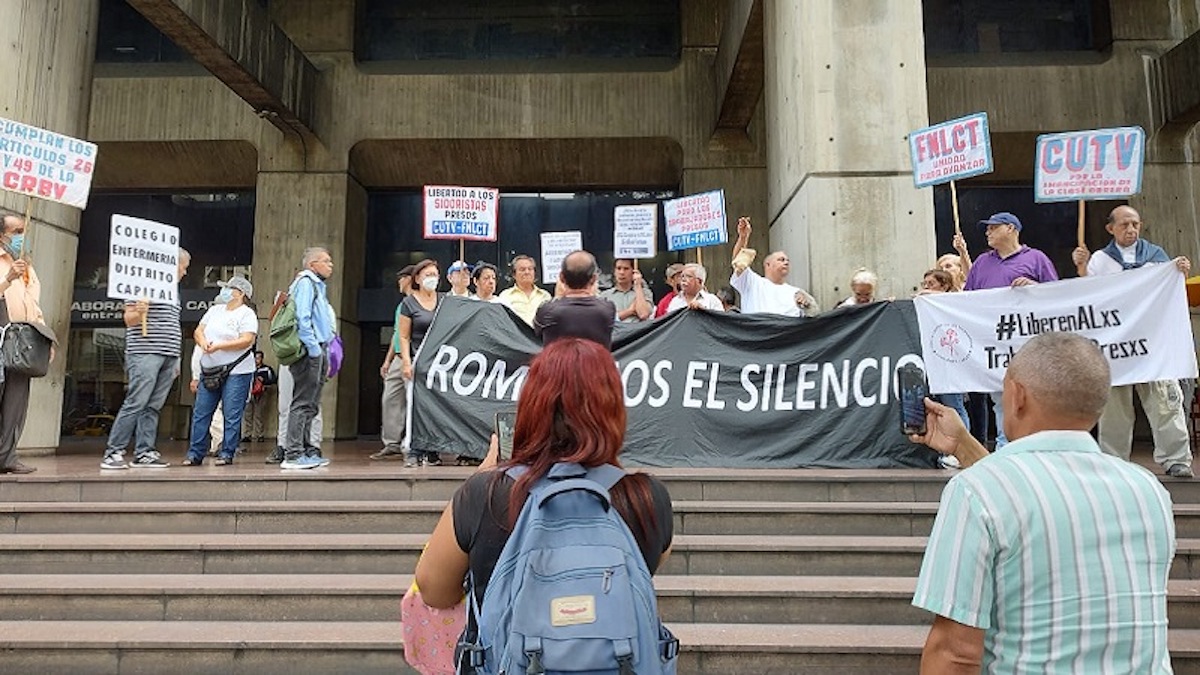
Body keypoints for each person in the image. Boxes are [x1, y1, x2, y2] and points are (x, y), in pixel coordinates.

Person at [909, 332, 1174, 674]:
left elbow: (954, 654)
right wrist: (963, 445)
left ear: (1017, 395)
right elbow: (1035, 495)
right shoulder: (1148, 491)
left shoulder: (975, 492)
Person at [413, 337, 674, 615]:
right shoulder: (647, 499)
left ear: (531, 405)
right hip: (614, 657)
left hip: (508, 659)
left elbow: (434, 591)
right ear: (613, 411)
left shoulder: (486, 494)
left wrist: (480, 480)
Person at [1072, 204, 1194, 478]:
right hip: (1116, 346)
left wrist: (1179, 273)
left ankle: (1176, 459)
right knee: (1114, 407)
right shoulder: (1100, 261)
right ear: (1110, 228)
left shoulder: (1157, 257)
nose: (1131, 229)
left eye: (1135, 224)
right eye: (1125, 224)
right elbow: (1088, 297)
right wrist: (1082, 269)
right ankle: (1114, 462)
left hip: (1152, 344)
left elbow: (1170, 293)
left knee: (1164, 401)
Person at [963, 212, 1058, 449]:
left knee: (1034, 396)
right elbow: (967, 299)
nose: (988, 232)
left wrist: (1035, 287)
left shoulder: (1036, 259)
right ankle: (1006, 447)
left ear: (1011, 229)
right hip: (995, 343)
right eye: (988, 229)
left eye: (993, 227)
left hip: (1029, 344)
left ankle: (1035, 445)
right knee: (1000, 398)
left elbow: (1057, 295)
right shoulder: (982, 263)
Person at [101, 248, 191, 470]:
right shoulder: (141, 285)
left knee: (153, 405)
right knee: (137, 401)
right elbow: (129, 319)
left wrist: (176, 357)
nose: (185, 272)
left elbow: (172, 323)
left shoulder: (174, 292)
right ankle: (114, 451)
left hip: (168, 354)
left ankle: (144, 451)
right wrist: (139, 312)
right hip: (145, 352)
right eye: (183, 267)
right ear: (171, 264)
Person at [183, 276, 257, 466]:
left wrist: (220, 346)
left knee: (231, 413)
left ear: (240, 294)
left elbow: (247, 340)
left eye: (228, 288)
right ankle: (195, 453)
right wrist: (203, 342)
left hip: (237, 371)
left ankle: (227, 452)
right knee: (201, 412)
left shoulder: (246, 314)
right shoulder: (214, 311)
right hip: (209, 369)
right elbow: (199, 330)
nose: (223, 292)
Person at [0, 212, 50, 474]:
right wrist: (8, 278)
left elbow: (33, 305)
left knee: (16, 404)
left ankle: (7, 457)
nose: (22, 237)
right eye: (16, 231)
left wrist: (44, 339)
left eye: (24, 231)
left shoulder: (27, 267)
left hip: (22, 342)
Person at [281, 247, 335, 470]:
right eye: (326, 261)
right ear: (312, 264)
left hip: (319, 348)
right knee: (302, 401)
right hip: (308, 351)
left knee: (310, 403)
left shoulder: (317, 285)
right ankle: (293, 454)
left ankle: (303, 450)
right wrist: (313, 348)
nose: (330, 265)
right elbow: (302, 317)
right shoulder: (306, 283)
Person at [399, 259, 444, 467]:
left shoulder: (444, 301)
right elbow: (404, 336)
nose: (432, 279)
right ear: (417, 278)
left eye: (435, 274)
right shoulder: (409, 303)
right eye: (427, 275)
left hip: (440, 364)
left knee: (437, 407)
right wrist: (407, 362)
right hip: (418, 362)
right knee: (415, 406)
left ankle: (433, 449)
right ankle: (413, 449)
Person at [729, 217, 820, 316]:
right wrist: (743, 237)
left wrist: (807, 305)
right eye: (781, 260)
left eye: (787, 261)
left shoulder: (796, 293)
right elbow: (738, 263)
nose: (786, 262)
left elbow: (814, 315)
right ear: (767, 264)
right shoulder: (753, 283)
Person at [372, 265, 417, 461]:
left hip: (413, 358)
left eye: (401, 278)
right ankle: (391, 443)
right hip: (397, 358)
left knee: (413, 402)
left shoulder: (418, 302)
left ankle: (413, 443)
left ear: (409, 279)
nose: (399, 282)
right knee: (390, 399)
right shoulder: (402, 304)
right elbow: (398, 334)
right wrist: (387, 360)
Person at [533, 250, 616, 348]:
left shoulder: (547, 310)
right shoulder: (607, 309)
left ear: (561, 278)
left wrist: (557, 297)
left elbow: (537, 332)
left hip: (559, 363)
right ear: (594, 279)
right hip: (596, 363)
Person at [497, 255, 551, 325]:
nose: (527, 272)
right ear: (514, 274)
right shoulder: (505, 296)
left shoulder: (545, 296)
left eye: (530, 269)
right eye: (522, 269)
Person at [599, 258, 653, 322]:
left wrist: (638, 286)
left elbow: (643, 314)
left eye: (626, 269)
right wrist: (630, 311)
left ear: (633, 272)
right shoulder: (605, 296)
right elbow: (603, 320)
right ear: (614, 271)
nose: (622, 272)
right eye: (619, 268)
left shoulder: (645, 293)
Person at [242, 350, 276, 443]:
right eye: (255, 358)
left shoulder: (266, 369)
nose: (256, 360)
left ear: (262, 359)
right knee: (248, 414)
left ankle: (259, 434)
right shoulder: (249, 369)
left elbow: (273, 380)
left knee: (259, 414)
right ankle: (247, 434)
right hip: (249, 392)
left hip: (262, 393)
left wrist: (264, 381)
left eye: (258, 358)